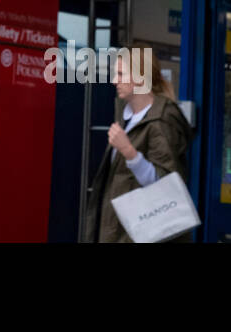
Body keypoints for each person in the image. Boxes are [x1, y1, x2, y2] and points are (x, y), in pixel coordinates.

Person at [82, 47, 193, 243]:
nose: (114, 81)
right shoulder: (128, 118)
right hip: (122, 234)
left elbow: (166, 186)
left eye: (121, 74)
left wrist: (129, 151)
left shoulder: (161, 119)